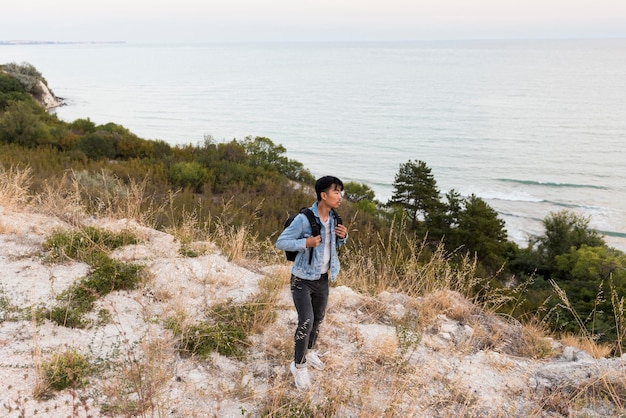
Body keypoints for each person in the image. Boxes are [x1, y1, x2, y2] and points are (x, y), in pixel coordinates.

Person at [276, 175, 349, 391]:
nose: (340, 196)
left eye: (340, 192)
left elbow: (334, 246)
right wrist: (304, 242)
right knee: (306, 321)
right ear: (323, 195)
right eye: (336, 192)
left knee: (317, 320)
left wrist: (343, 237)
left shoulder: (335, 218)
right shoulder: (304, 219)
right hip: (301, 279)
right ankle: (298, 365)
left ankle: (309, 351)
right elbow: (281, 242)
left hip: (323, 278)